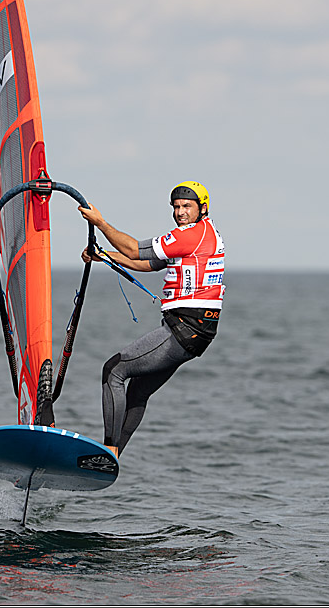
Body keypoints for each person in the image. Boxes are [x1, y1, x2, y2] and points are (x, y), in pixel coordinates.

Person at [78, 181, 225, 457]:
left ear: (202, 209)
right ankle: (113, 456)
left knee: (114, 370)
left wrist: (100, 223)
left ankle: (107, 451)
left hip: (184, 328)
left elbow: (135, 250)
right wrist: (105, 255)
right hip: (196, 330)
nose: (180, 212)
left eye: (187, 207)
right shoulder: (202, 235)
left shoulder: (191, 235)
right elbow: (148, 263)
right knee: (137, 392)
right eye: (176, 207)